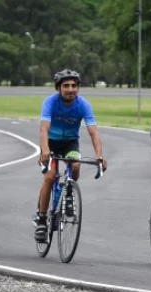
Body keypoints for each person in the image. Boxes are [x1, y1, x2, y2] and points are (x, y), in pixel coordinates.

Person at [34, 69, 107, 242]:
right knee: (50, 177)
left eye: (74, 86)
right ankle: (42, 220)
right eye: (66, 86)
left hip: (70, 143)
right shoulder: (50, 102)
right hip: (50, 143)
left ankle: (68, 193)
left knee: (75, 165)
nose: (71, 89)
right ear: (58, 88)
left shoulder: (83, 105)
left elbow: (93, 132)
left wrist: (99, 156)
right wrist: (44, 150)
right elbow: (44, 128)